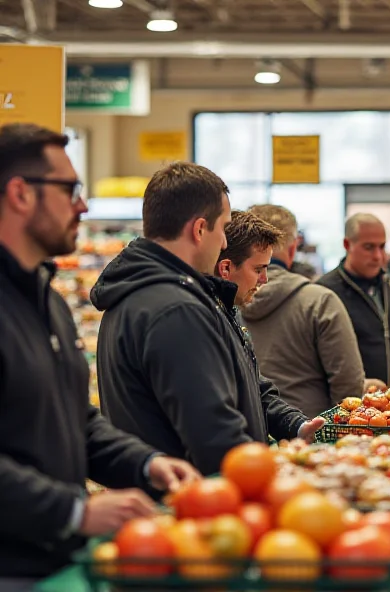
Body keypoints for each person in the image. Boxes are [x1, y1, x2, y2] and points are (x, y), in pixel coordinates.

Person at [0, 123, 199, 585]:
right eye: (70, 190)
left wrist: (145, 463)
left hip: (57, 561)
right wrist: (74, 509)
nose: (83, 206)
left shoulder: (46, 299)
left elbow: (75, 419)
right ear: (20, 194)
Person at [91, 163, 318, 477]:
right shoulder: (175, 309)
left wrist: (292, 425)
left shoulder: (140, 292)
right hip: (191, 503)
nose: (225, 242)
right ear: (199, 230)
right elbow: (213, 434)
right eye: (223, 228)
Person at [242, 205, 367, 417]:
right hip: (311, 433)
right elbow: (348, 385)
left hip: (247, 434)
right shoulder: (320, 302)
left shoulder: (223, 302)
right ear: (293, 248)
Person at [318, 214, 390, 389]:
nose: (378, 256)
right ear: (347, 245)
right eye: (369, 247)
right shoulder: (325, 292)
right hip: (353, 407)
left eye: (382, 247)